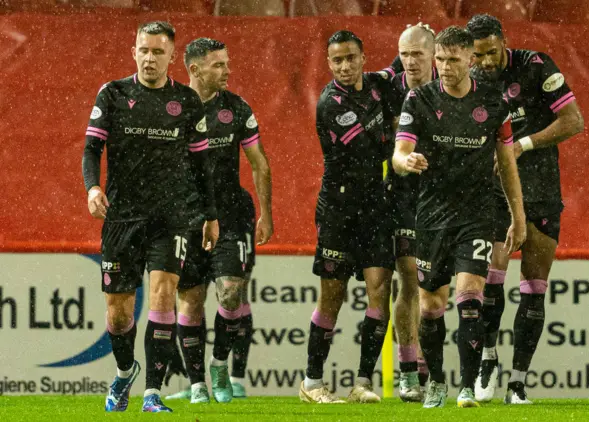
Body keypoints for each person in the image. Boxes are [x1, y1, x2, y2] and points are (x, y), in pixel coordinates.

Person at [82, 21, 219, 413]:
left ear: (171, 57)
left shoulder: (187, 102)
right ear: (134, 51)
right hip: (123, 217)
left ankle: (153, 393)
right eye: (144, 50)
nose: (149, 58)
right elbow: (91, 149)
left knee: (163, 295)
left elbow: (201, 163)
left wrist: (210, 214)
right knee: (119, 313)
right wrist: (93, 187)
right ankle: (126, 372)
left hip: (171, 216)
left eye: (158, 52)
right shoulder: (113, 94)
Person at [392, 26, 526, 409]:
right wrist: (407, 162)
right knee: (432, 306)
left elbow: (506, 163)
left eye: (453, 59)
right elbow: (400, 153)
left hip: (478, 214)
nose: (445, 67)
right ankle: (436, 380)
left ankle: (467, 387)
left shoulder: (493, 104)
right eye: (440, 59)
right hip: (432, 215)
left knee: (471, 298)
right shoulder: (418, 99)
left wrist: (517, 215)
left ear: (470, 59)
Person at [466, 14, 584, 405]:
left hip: (542, 190)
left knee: (534, 289)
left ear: (503, 41)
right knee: (490, 280)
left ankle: (517, 383)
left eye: (490, 52)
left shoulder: (536, 66)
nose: (484, 61)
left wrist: (523, 145)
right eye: (477, 55)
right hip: (494, 194)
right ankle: (487, 358)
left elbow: (574, 121)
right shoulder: (472, 78)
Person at [166, 38, 273, 405]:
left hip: (231, 214)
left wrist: (266, 212)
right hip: (187, 217)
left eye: (227, 63)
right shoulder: (171, 106)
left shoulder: (236, 107)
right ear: (194, 69)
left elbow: (258, 162)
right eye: (218, 65)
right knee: (191, 301)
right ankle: (196, 384)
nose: (227, 70)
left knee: (230, 293)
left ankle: (219, 364)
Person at [298, 30, 395, 404]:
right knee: (333, 296)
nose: (344, 65)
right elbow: (375, 148)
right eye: (337, 60)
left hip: (375, 207)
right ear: (329, 63)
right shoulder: (330, 103)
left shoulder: (376, 83)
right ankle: (312, 381)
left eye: (350, 57)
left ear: (363, 56)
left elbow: (401, 68)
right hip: (338, 209)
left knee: (380, 290)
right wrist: (400, 129)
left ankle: (362, 382)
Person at [385, 23, 437, 402]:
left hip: (446, 199)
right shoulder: (389, 85)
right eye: (404, 54)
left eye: (417, 54)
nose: (410, 62)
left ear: (433, 54)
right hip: (404, 196)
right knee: (408, 280)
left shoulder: (455, 81)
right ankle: (408, 372)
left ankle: (440, 368)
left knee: (437, 292)